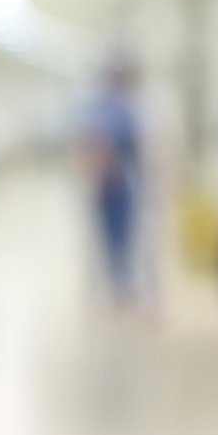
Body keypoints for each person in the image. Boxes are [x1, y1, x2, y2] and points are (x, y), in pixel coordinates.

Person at [80, 58, 148, 303]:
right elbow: (129, 146)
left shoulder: (102, 108)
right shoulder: (119, 108)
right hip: (114, 182)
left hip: (112, 182)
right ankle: (120, 286)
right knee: (119, 237)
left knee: (113, 237)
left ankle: (117, 285)